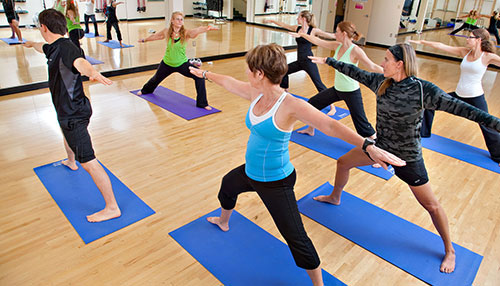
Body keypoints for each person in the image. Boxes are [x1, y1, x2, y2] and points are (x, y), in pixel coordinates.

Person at [189, 43, 406, 286]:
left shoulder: (290, 104)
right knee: (227, 186)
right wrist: (206, 74)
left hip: (275, 181)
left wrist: (368, 145)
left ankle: (318, 284)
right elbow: (228, 82)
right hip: (251, 172)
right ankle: (224, 221)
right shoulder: (255, 92)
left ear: (260, 73)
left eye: (249, 70)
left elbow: (330, 126)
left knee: (296, 238)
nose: (246, 74)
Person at [309, 43, 500, 273]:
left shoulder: (423, 90)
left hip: (408, 158)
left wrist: (497, 125)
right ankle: (335, 196)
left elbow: (465, 110)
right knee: (343, 162)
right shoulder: (381, 82)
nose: (382, 63)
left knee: (431, 205)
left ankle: (450, 249)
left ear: (400, 64)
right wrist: (329, 61)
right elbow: (355, 72)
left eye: (387, 59)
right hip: (379, 149)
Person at [23, 9, 121, 223]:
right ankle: (70, 160)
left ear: (44, 27)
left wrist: (92, 72)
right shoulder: (54, 46)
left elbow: (79, 63)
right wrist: (31, 44)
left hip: (74, 114)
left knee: (90, 161)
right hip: (69, 109)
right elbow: (43, 48)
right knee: (63, 128)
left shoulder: (67, 48)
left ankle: (112, 207)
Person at [409, 28, 500, 165]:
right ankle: (424, 132)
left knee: (488, 125)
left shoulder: (487, 57)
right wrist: (421, 41)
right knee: (430, 103)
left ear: (479, 40)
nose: (467, 39)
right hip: (459, 94)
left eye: (470, 37)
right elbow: (442, 46)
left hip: (475, 97)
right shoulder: (465, 52)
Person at [291, 21, 380, 139]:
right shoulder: (337, 45)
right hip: (337, 89)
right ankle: (310, 128)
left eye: (336, 31)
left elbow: (372, 66)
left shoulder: (355, 50)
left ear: (343, 34)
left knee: (361, 123)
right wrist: (302, 35)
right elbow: (318, 41)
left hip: (351, 91)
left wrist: (391, 73)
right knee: (313, 104)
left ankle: (376, 142)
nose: (335, 34)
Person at [138, 12, 218, 110]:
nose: (180, 21)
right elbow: (156, 36)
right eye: (178, 19)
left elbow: (195, 31)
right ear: (172, 20)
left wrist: (206, 28)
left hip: (182, 63)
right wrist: (145, 40)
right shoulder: (166, 31)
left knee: (199, 76)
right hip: (167, 63)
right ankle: (145, 90)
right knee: (155, 79)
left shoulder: (185, 33)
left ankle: (202, 103)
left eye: (182, 19)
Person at [264, 10, 333, 93]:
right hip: (299, 61)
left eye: (299, 17)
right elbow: (285, 25)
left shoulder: (313, 30)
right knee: (283, 71)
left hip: (309, 62)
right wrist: (272, 21)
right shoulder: (297, 28)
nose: (297, 19)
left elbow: (329, 35)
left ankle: (331, 105)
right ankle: (285, 91)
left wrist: (343, 38)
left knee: (318, 84)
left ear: (303, 18)